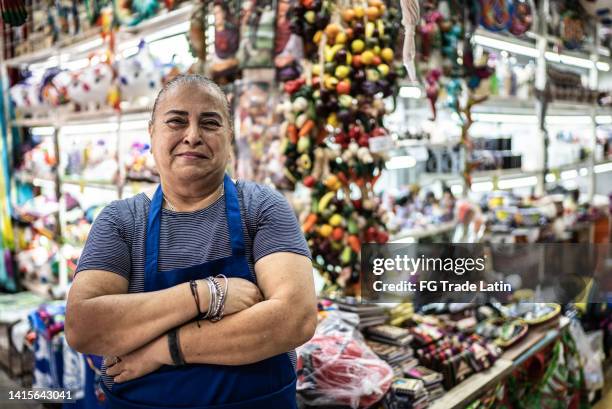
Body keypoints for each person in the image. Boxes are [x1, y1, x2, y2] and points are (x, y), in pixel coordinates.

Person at [65, 74, 317, 409]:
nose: (193, 136)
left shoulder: (261, 207)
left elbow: (294, 318)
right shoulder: (121, 222)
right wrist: (206, 294)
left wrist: (166, 349)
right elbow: (85, 326)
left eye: (210, 123)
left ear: (229, 136)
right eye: (176, 121)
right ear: (152, 134)